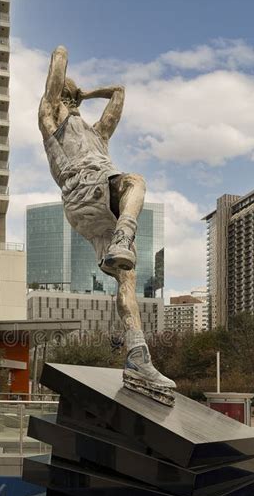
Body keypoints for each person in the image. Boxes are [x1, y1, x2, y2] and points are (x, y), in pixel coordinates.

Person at [38, 45, 175, 405]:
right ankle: (125, 235)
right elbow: (59, 58)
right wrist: (68, 78)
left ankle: (137, 354)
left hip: (89, 214)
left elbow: (119, 93)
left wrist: (85, 93)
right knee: (135, 183)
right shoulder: (51, 123)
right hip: (89, 187)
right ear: (60, 99)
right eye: (69, 97)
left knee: (125, 279)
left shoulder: (98, 134)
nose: (73, 103)